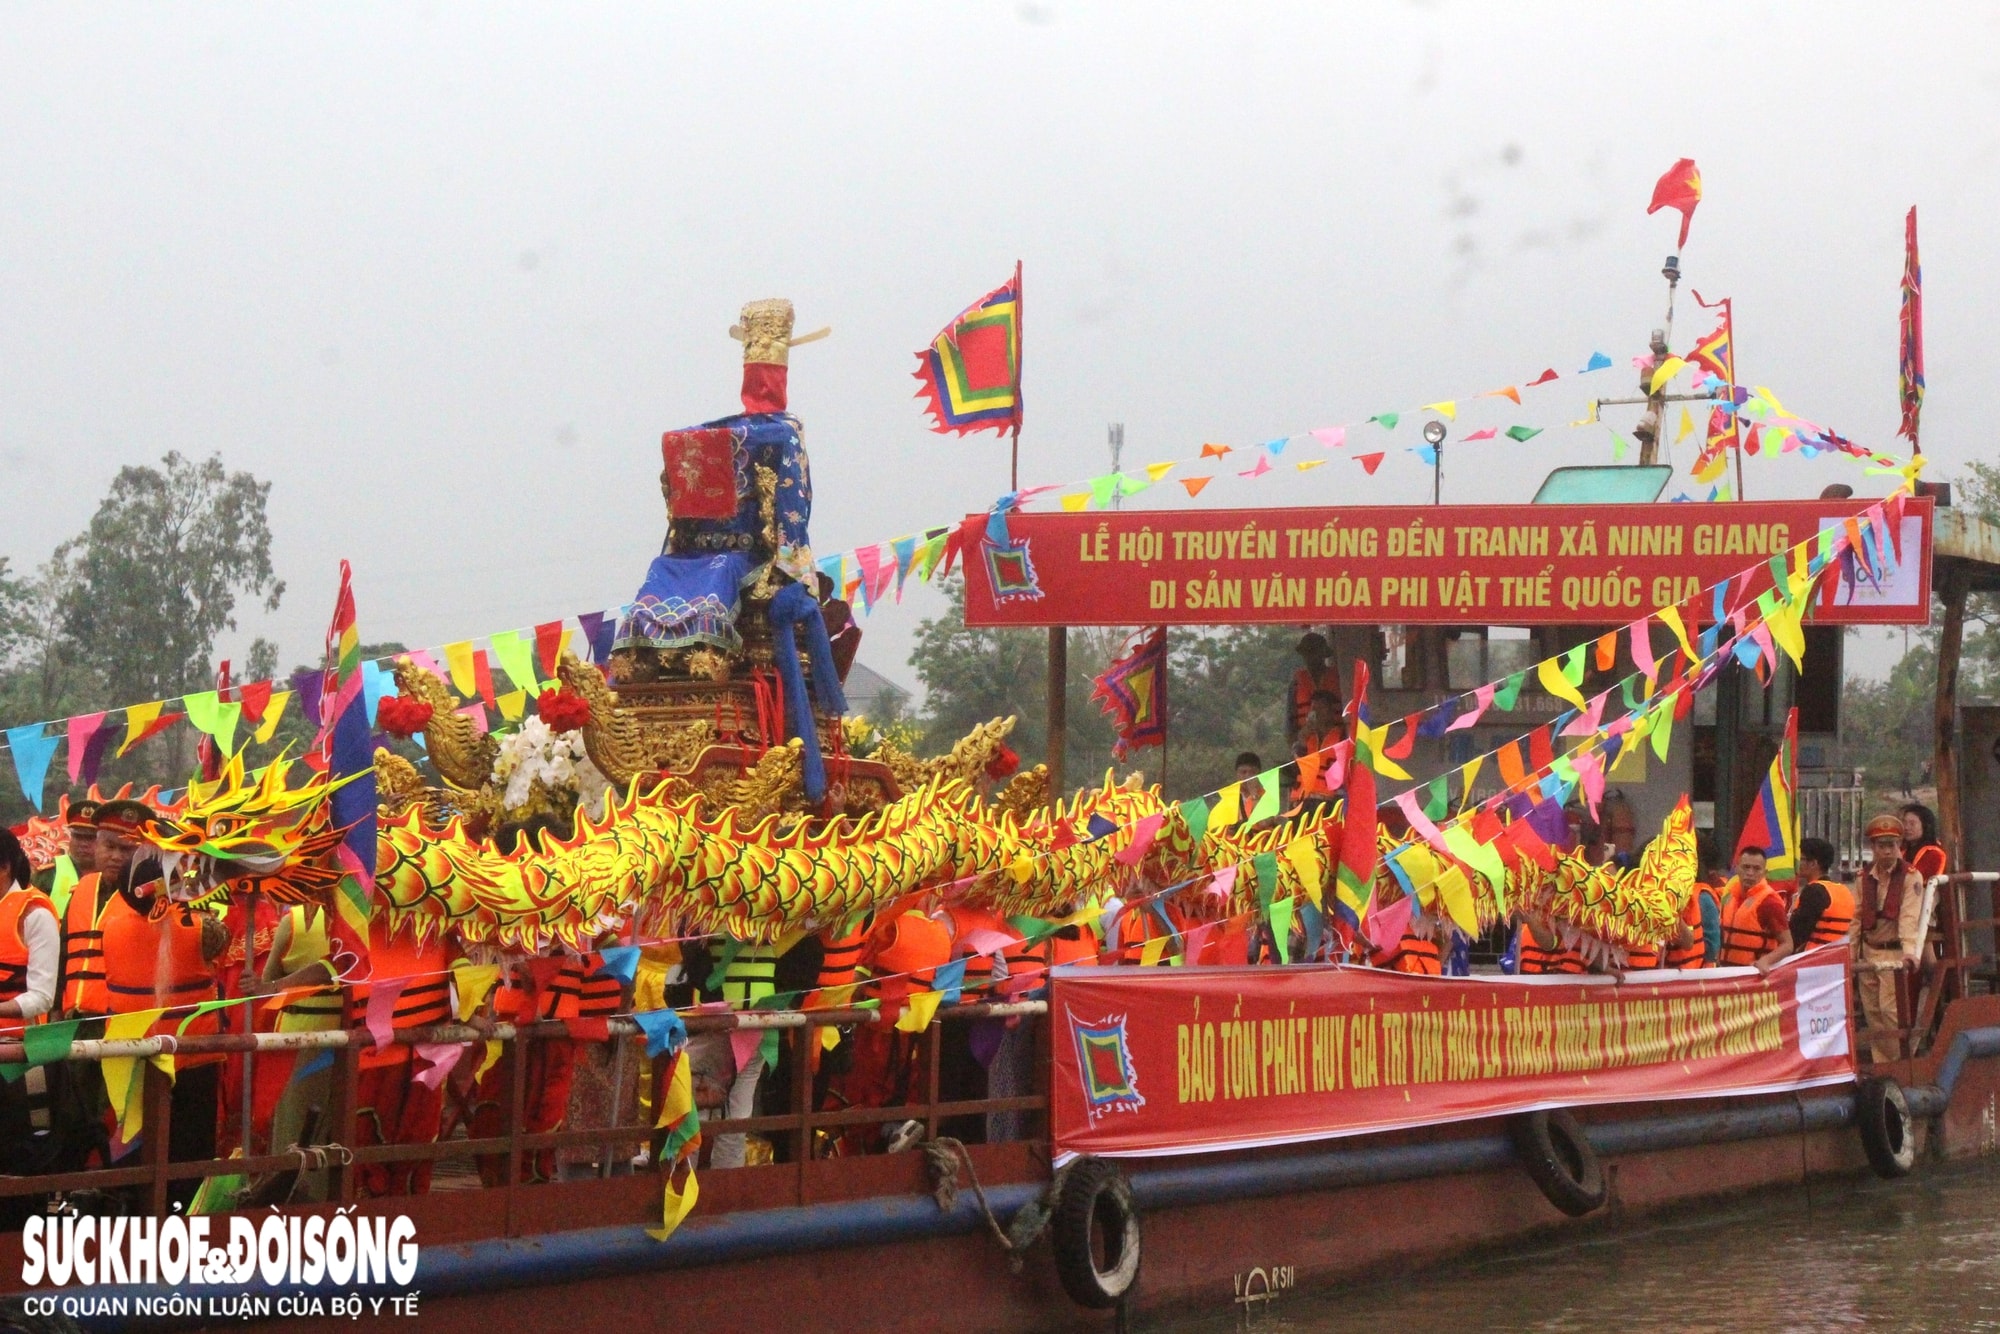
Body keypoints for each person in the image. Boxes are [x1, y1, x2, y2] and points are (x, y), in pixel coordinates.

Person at [94, 799, 227, 1209]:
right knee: (183, 1153)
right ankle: (178, 1217)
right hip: (183, 1059)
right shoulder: (200, 928)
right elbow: (219, 943)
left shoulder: (108, 926)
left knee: (137, 1145)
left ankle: (134, 1213)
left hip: (139, 1058)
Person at [0, 827, 62, 1222]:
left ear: (4, 867)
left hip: (20, 1062)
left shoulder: (34, 912)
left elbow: (42, 996)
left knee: (17, 1156)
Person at [1857, 813, 1928, 1063]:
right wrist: (1848, 953)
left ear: (1900, 846)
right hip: (1868, 950)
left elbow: (1909, 917)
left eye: (1892, 845)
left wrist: (1910, 951)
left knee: (1891, 1011)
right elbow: (1857, 919)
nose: (1887, 850)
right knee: (1873, 1013)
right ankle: (1882, 1065)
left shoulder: (1911, 877)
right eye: (1881, 845)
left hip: (1893, 952)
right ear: (1873, 848)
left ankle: (1902, 1062)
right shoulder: (1863, 877)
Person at [1717, 847, 1793, 973]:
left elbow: (1788, 944)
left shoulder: (1770, 902)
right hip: (1726, 974)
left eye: (1757, 868)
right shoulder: (1729, 896)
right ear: (1737, 869)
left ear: (1765, 872)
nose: (1750, 873)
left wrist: (1766, 961)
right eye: (1746, 867)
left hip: (1752, 977)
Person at [1789, 837, 1857, 953]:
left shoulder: (1814, 891)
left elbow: (1797, 932)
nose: (1798, 863)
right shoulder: (1843, 890)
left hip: (1814, 959)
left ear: (1813, 863)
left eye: (1801, 859)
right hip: (1837, 957)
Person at [1285, 634, 1341, 750]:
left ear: (1323, 655)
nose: (1311, 657)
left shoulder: (1339, 679)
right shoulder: (1296, 683)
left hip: (1337, 744)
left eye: (1315, 652)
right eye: (1308, 653)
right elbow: (1290, 726)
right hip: (1306, 747)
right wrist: (1298, 743)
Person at [1900, 803, 1947, 882]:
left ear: (1926, 826)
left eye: (1912, 824)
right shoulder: (1903, 850)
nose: (1906, 827)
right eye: (1904, 823)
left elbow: (1914, 880)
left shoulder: (1934, 853)